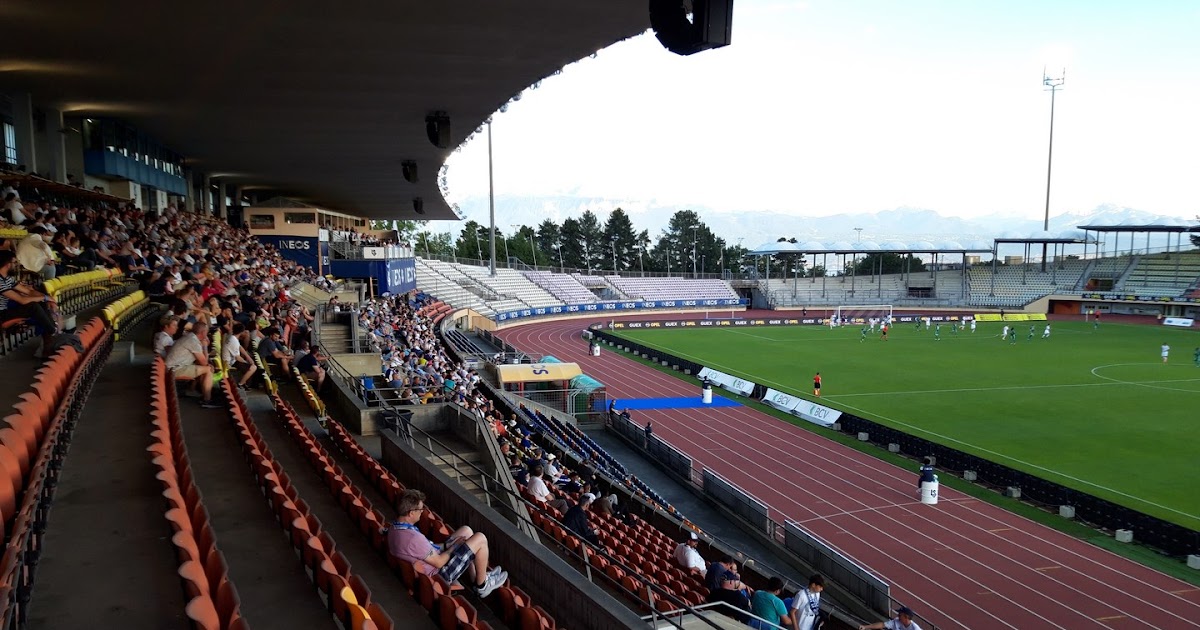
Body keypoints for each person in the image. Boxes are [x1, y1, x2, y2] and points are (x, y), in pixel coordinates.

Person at [386, 489, 508, 598]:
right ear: (411, 513)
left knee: (466, 531)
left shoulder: (394, 528)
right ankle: (482, 585)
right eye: (420, 509)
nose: (422, 512)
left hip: (432, 561)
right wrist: (453, 547)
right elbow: (439, 562)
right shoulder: (413, 538)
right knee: (480, 538)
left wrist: (447, 546)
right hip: (440, 574)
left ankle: (475, 577)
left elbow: (425, 550)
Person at [0, 250, 61, 353]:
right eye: (14, 263)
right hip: (1, 314)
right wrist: (44, 298)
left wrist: (46, 298)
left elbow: (28, 291)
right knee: (33, 306)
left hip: (5, 311)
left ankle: (52, 332)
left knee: (40, 302)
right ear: (7, 264)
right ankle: (53, 332)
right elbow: (22, 300)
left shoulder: (7, 279)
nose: (16, 265)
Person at [164, 321, 220, 408]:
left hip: (172, 368)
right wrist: (205, 346)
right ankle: (207, 400)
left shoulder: (190, 337)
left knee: (204, 368)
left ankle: (197, 391)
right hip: (174, 370)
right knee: (208, 370)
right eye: (207, 332)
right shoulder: (193, 341)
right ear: (203, 332)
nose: (207, 334)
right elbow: (204, 362)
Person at [222, 322, 259, 390]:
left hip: (232, 360)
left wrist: (248, 357)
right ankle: (240, 384)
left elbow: (240, 347)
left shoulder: (232, 337)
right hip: (230, 362)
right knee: (253, 367)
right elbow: (237, 357)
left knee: (251, 363)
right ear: (241, 332)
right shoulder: (233, 340)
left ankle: (245, 383)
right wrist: (246, 362)